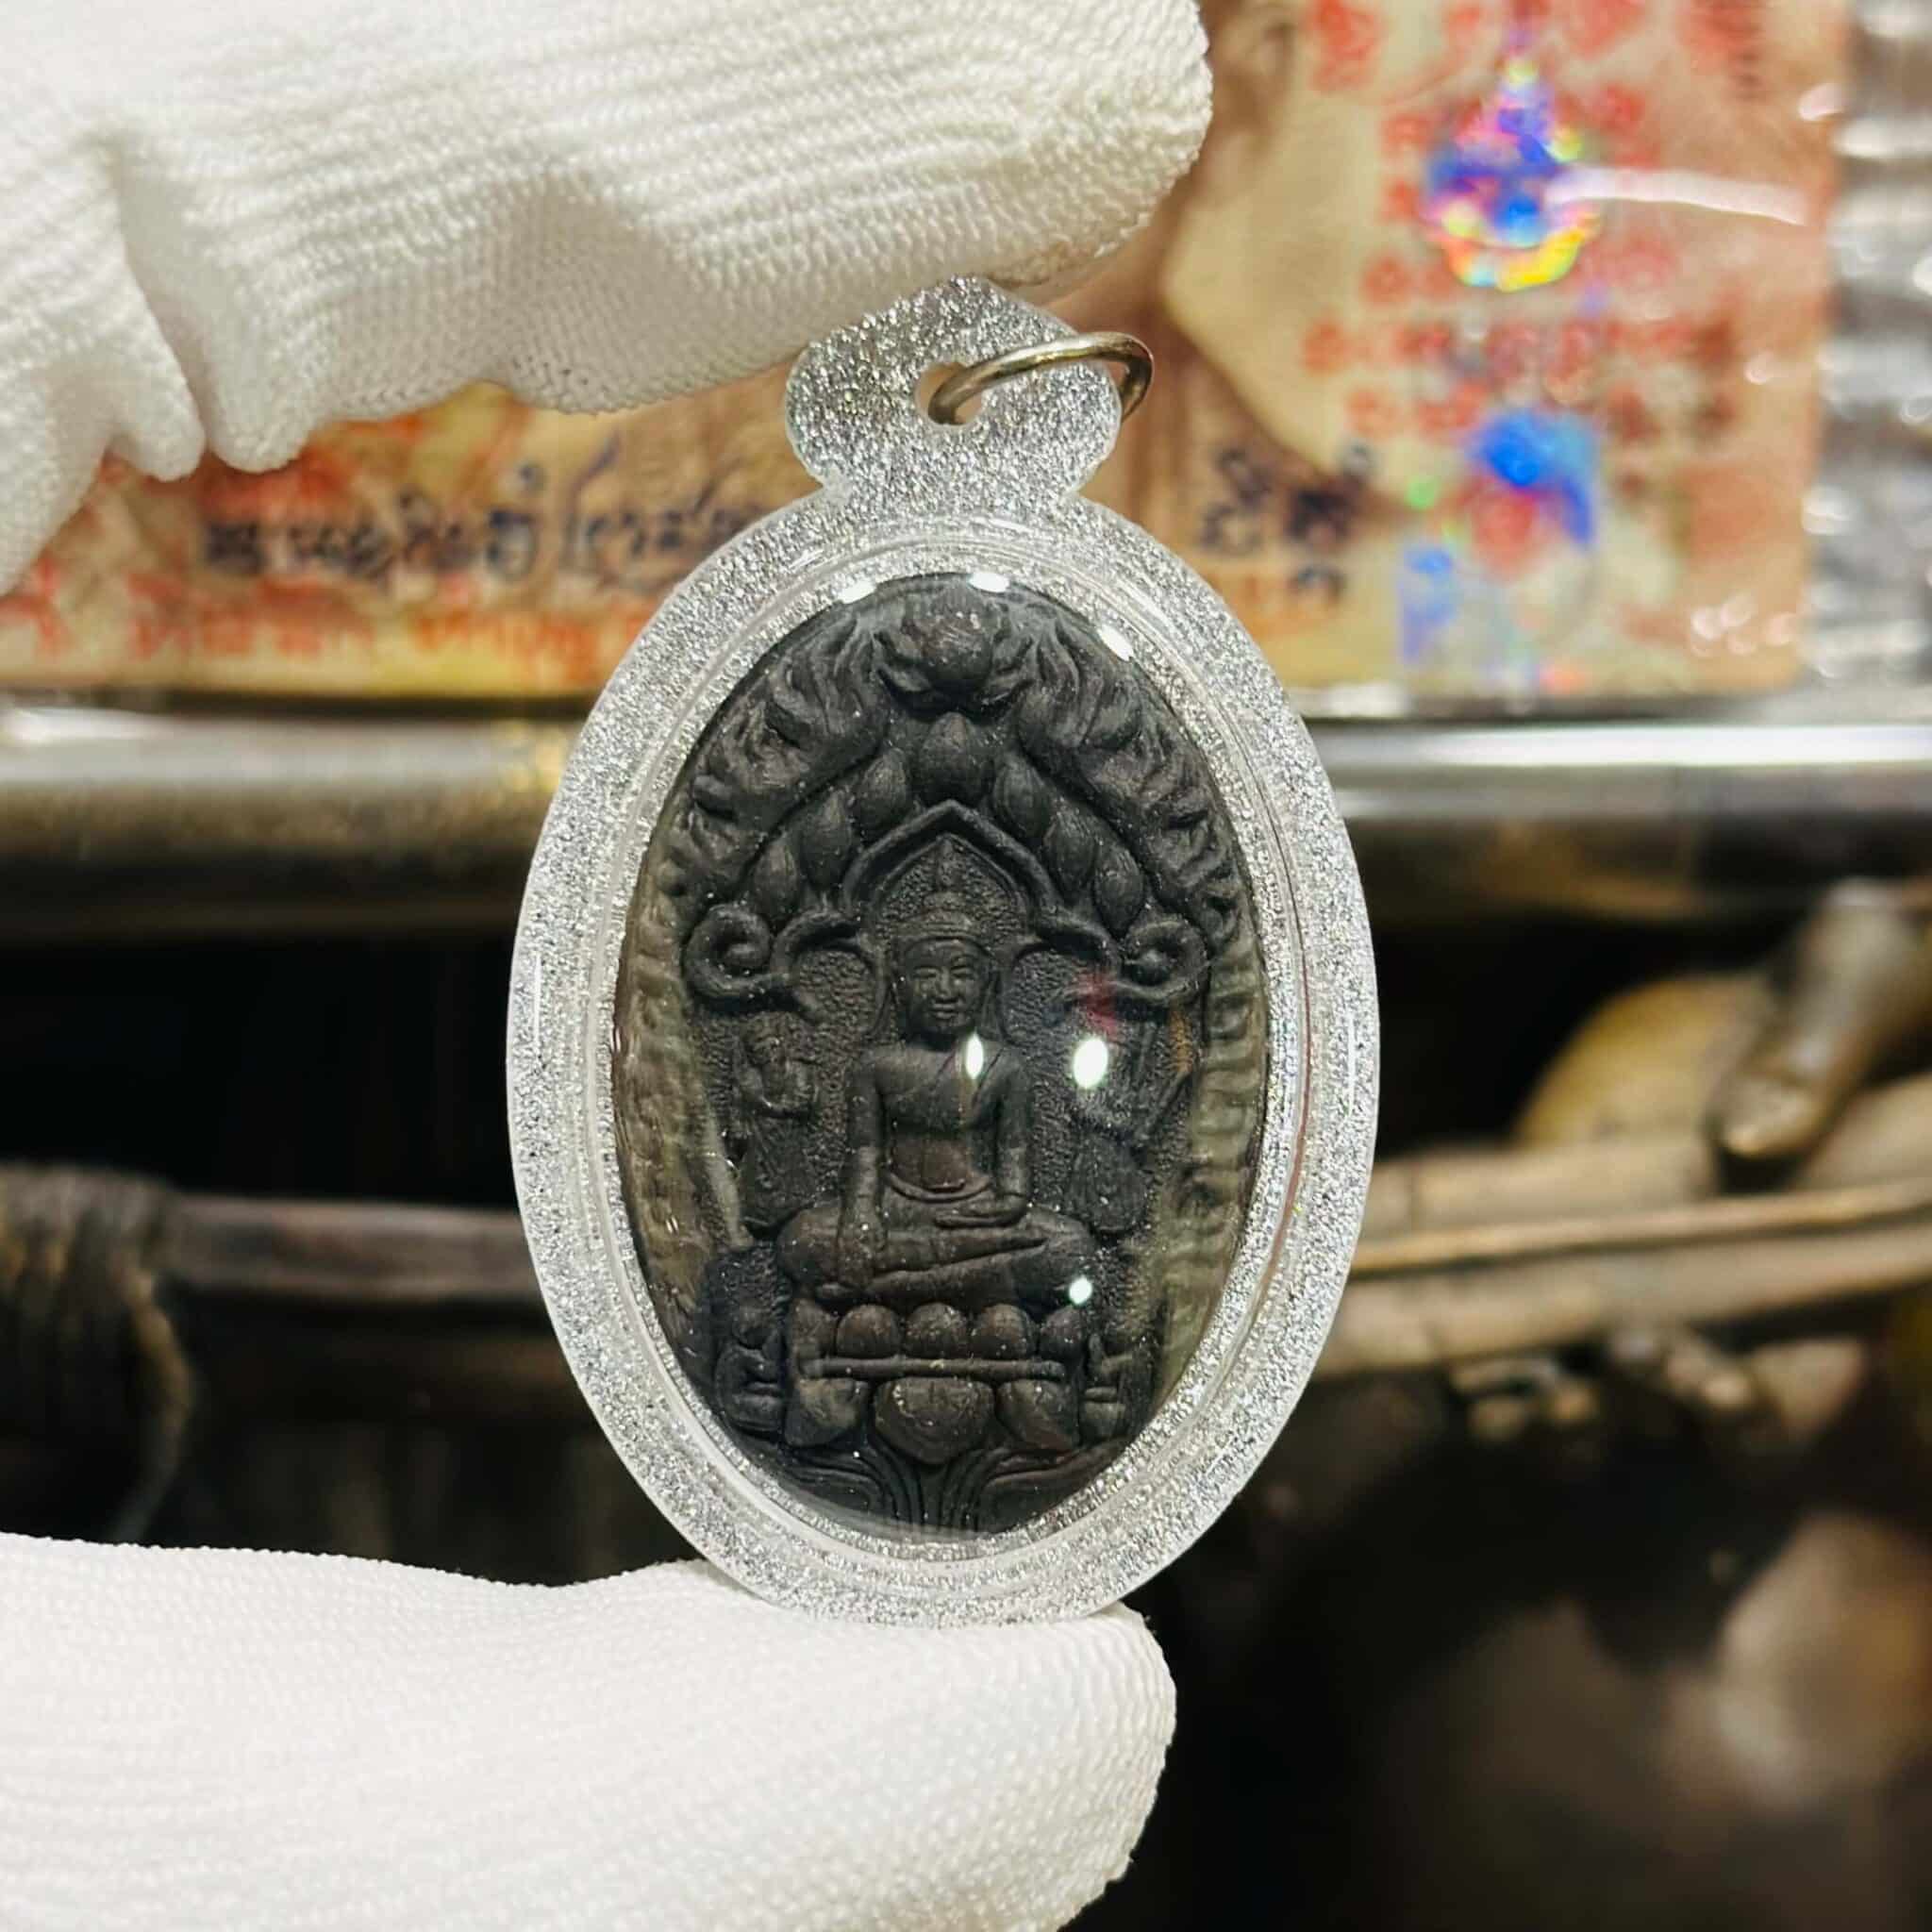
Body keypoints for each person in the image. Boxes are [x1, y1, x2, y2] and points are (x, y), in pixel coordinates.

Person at [0, 2, 1209, 1925]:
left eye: (956, 972)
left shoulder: (987, 1052)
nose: (933, 991)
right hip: (868, 1289)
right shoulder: (869, 1046)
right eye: (914, 965)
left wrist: (998, 1236)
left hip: (981, 1287)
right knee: (824, 1264)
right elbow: (839, 1212)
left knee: (1015, 1253)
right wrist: (848, 1239)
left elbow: (1018, 1204)